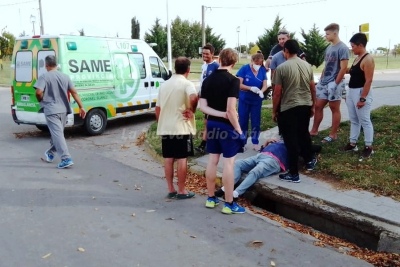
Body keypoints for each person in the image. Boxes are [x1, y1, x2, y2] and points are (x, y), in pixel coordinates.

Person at [199, 48, 246, 214]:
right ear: (233, 63)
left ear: (219, 60)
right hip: (227, 127)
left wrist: (218, 114)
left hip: (211, 124)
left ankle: (211, 198)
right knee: (229, 164)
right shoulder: (233, 81)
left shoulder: (208, 80)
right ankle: (229, 203)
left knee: (212, 161)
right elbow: (231, 110)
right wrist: (239, 130)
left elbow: (202, 106)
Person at [272, 40, 317, 183]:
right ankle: (309, 161)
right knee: (303, 133)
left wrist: (274, 111)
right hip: (305, 105)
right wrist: (313, 106)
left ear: (286, 51)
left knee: (290, 139)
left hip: (289, 107)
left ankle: (293, 173)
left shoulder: (282, 68)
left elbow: (277, 93)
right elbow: (313, 88)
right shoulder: (307, 66)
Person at [155, 57, 198, 200]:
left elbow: (158, 109)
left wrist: (162, 122)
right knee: (181, 158)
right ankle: (181, 190)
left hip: (166, 127)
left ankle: (171, 188)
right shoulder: (187, 84)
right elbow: (193, 98)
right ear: (188, 70)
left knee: (168, 158)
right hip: (181, 127)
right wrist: (192, 110)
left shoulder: (164, 85)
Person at [34, 55, 86, 168]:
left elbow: (38, 92)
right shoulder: (65, 76)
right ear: (56, 65)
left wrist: (41, 100)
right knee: (58, 134)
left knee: (57, 134)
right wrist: (81, 107)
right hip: (64, 109)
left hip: (51, 110)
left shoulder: (44, 76)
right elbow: (74, 92)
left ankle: (66, 158)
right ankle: (51, 153)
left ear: (46, 65)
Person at [310, 23, 349, 143]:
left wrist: (335, 83)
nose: (325, 36)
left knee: (334, 108)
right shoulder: (329, 47)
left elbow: (343, 68)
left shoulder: (342, 48)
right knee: (318, 106)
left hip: (335, 83)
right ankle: (314, 130)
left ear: (335, 33)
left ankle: (333, 134)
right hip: (324, 82)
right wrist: (321, 80)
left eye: (327, 34)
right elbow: (326, 65)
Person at [342, 33, 375, 160]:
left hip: (361, 92)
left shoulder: (368, 59)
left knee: (365, 120)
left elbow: (368, 80)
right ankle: (352, 143)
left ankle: (368, 147)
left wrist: (362, 98)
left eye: (353, 46)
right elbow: (352, 70)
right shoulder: (357, 58)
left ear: (361, 45)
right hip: (351, 91)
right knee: (354, 119)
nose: (352, 49)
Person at [236, 52, 268, 151]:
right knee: (243, 121)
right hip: (244, 99)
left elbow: (265, 84)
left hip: (256, 101)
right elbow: (239, 84)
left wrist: (261, 91)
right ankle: (242, 142)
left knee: (255, 121)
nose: (258, 65)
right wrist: (250, 88)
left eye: (260, 63)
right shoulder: (244, 69)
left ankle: (255, 142)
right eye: (256, 63)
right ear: (252, 61)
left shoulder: (262, 70)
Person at [195, 43, 220, 154]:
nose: (204, 55)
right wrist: (199, 94)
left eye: (207, 53)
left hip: (212, 99)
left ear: (212, 54)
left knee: (209, 122)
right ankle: (206, 144)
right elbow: (202, 82)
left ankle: (205, 145)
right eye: (203, 53)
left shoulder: (216, 66)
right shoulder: (203, 66)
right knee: (208, 122)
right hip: (204, 98)